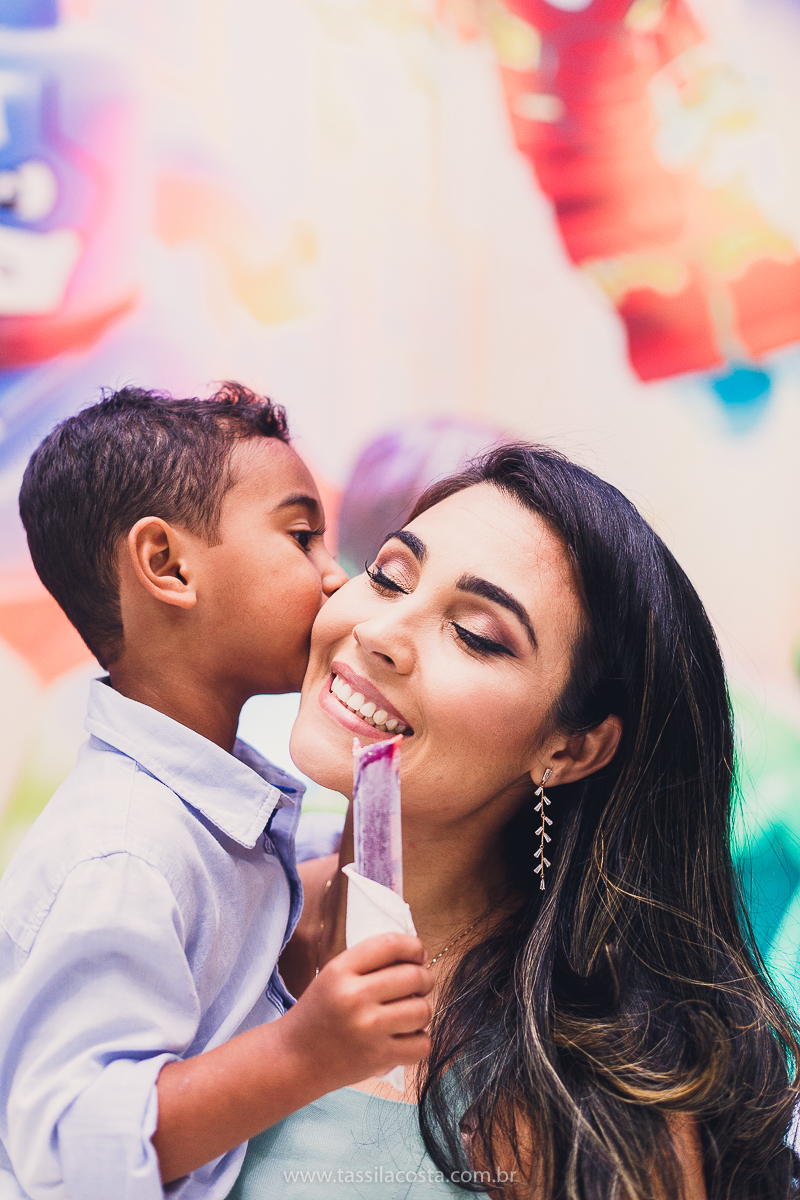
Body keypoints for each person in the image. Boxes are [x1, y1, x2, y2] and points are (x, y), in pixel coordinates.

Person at [233, 442, 799, 1200]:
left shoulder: (585, 1093)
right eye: (390, 576)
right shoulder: (200, 903)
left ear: (571, 748)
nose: (379, 635)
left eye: (476, 634)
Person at [0, 384, 435, 1200]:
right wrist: (306, 1051)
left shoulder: (200, 816)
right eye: (301, 536)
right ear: (167, 565)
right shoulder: (127, 853)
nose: (334, 577)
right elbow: (70, 1147)